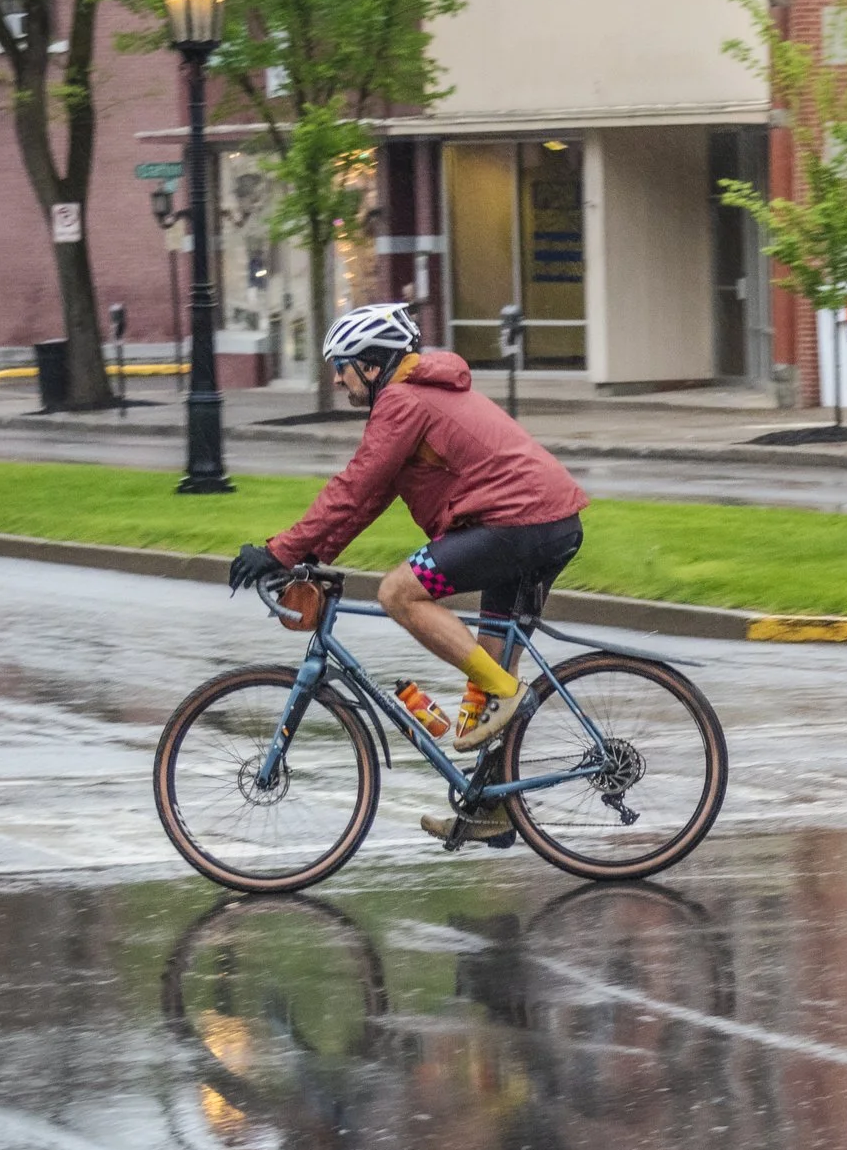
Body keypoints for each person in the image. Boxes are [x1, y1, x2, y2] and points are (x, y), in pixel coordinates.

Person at [227, 302, 589, 836]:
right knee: (489, 682)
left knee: (399, 593)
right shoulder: (413, 398)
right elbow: (364, 501)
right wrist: (308, 553)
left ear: (371, 366)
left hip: (517, 524)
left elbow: (354, 483)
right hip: (539, 522)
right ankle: (495, 808)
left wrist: (278, 551)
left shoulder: (402, 400)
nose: (336, 377)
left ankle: (506, 696)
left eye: (342, 365)